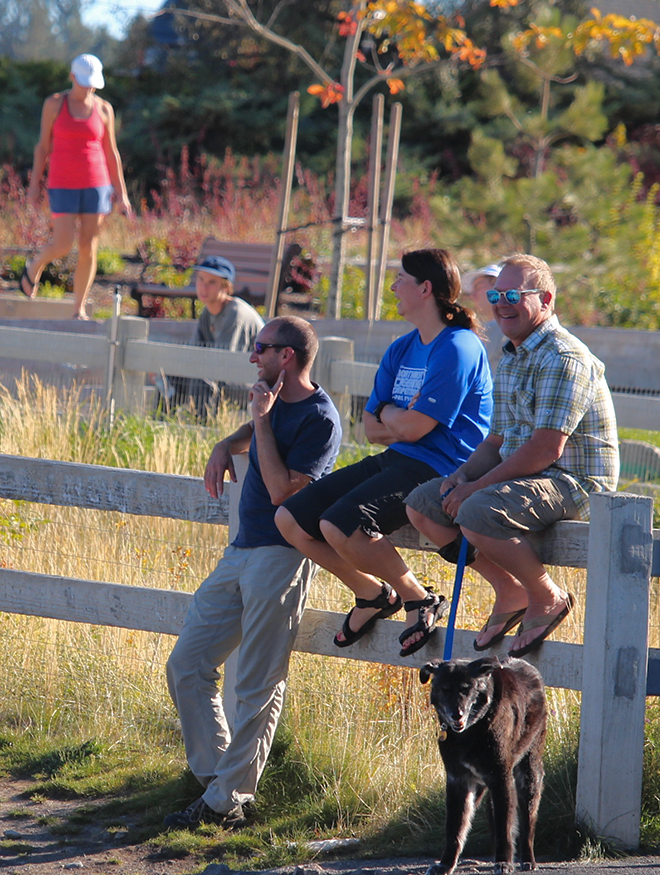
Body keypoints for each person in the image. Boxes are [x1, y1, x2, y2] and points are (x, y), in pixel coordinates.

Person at [164, 316, 344, 829]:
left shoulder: (321, 419)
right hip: (241, 549)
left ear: (286, 357)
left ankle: (224, 802)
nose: (252, 356)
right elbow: (257, 433)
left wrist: (260, 423)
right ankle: (219, 782)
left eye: (261, 348)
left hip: (282, 554)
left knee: (259, 682)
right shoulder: (274, 405)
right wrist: (229, 441)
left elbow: (287, 488)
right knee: (187, 664)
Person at [274, 248, 493, 657]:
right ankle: (372, 594)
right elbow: (369, 428)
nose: (393, 286)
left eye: (400, 279)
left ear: (425, 288)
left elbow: (410, 426)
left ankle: (417, 598)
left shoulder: (459, 347)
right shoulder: (403, 348)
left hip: (442, 468)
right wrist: (399, 419)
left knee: (339, 524)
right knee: (291, 518)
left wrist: (393, 415)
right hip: (400, 458)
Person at [403, 254, 618, 656]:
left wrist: (476, 490)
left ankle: (547, 597)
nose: (502, 302)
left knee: (476, 510)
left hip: (573, 480)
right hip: (527, 476)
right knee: (422, 506)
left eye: (514, 294)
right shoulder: (513, 356)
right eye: (497, 294)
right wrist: (462, 477)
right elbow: (496, 441)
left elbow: (546, 447)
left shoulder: (563, 357)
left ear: (546, 299)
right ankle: (510, 590)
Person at [25, 53, 133, 320]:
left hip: (97, 185)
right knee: (62, 244)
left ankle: (79, 308)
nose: (88, 88)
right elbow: (42, 147)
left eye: (92, 84)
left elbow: (111, 153)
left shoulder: (104, 109)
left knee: (88, 245)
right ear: (72, 77)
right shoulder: (54, 104)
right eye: (83, 82)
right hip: (62, 183)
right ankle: (35, 264)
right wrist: (33, 186)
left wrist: (123, 194)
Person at [165, 254, 265, 415]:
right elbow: (195, 352)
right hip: (221, 375)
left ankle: (200, 428)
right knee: (168, 378)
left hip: (253, 384)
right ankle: (162, 424)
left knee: (202, 379)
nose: (204, 287)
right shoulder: (207, 312)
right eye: (201, 280)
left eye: (212, 282)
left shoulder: (236, 314)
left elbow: (224, 363)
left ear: (226, 286)